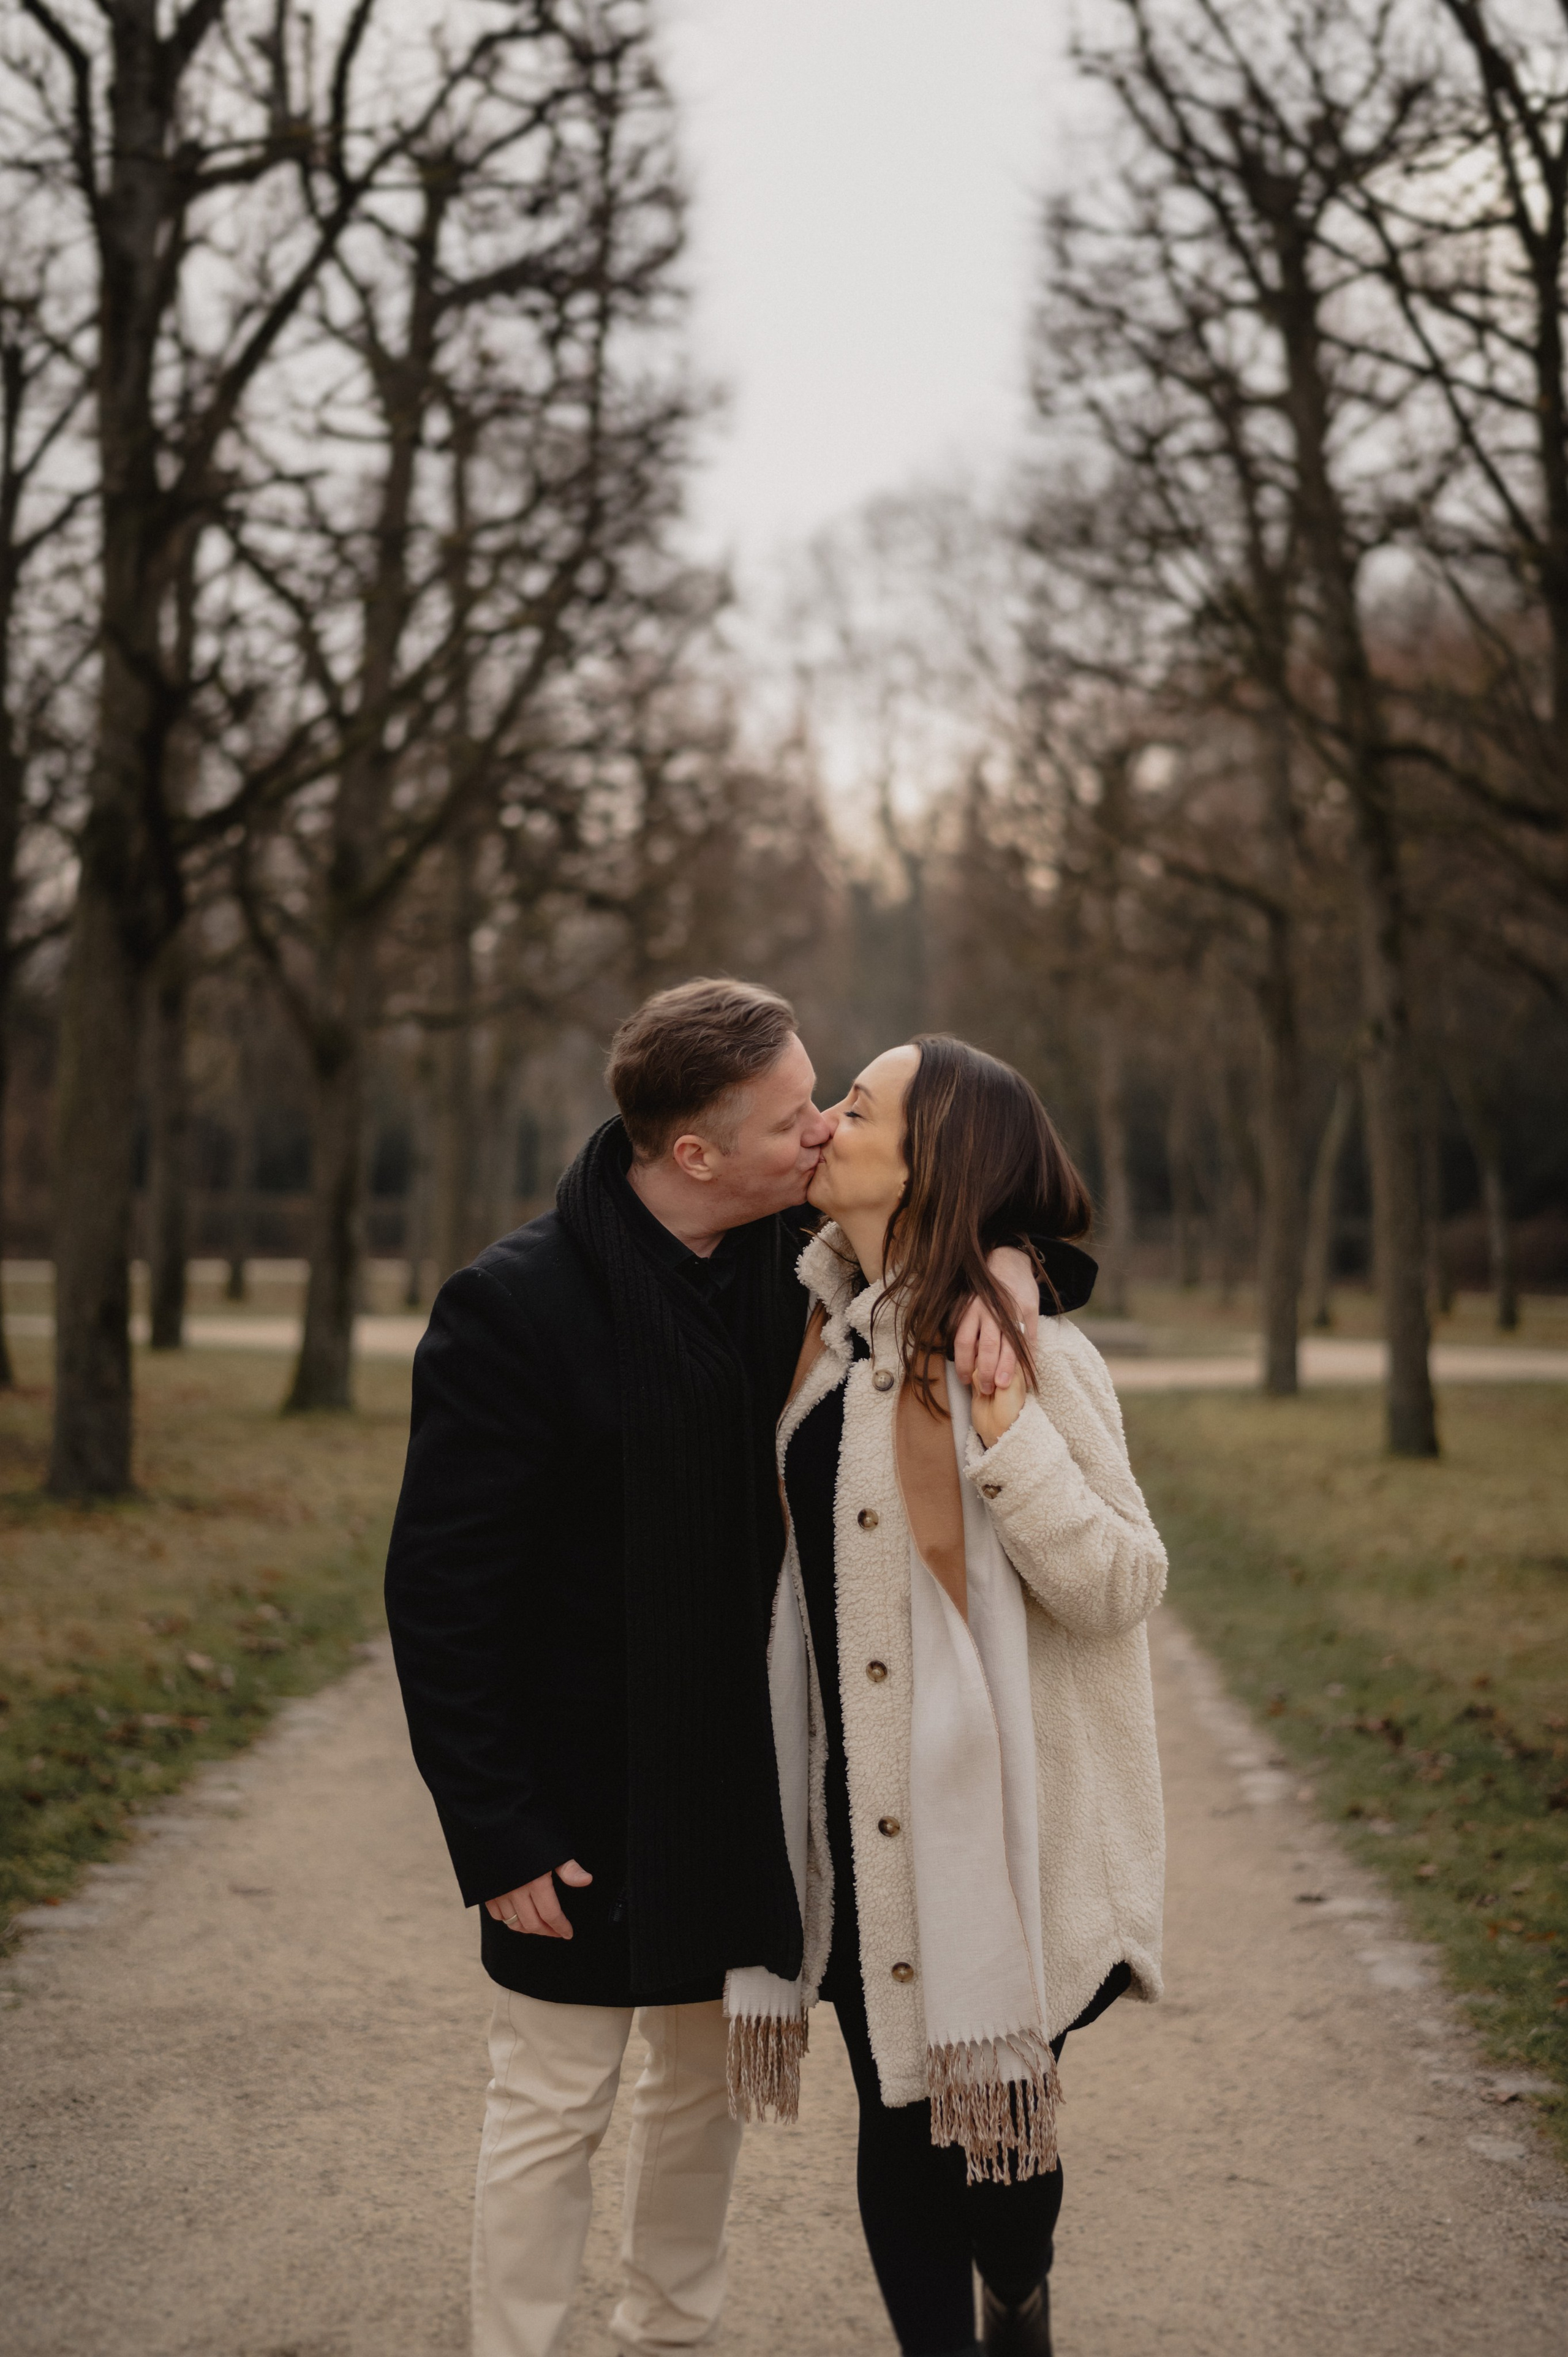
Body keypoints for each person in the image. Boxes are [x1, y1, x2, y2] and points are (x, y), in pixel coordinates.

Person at [383, 979, 1047, 2357]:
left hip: (743, 1790)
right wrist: (496, 1827)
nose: (823, 1131)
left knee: (699, 2095)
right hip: (570, 1811)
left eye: (824, 1100)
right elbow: (441, 1600)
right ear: (695, 1152)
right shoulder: (513, 1307)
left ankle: (668, 2334)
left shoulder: (801, 1256)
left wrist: (1012, 1273)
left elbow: (971, 1219)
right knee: (552, 2104)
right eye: (794, 1114)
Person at [725, 1034, 1167, 2357]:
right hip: (856, 1813)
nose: (825, 1123)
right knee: (894, 2113)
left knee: (997, 2153)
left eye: (856, 1109)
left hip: (1000, 1835)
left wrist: (1006, 1431)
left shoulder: (1030, 1353)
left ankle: (1018, 2292)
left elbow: (1120, 1582)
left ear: (933, 1162)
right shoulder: (818, 1327)